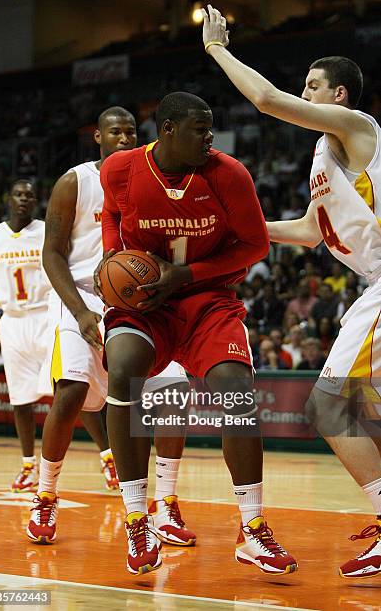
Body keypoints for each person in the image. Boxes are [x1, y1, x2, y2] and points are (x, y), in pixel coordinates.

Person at [202, 5, 381, 577]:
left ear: (340, 97)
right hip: (371, 286)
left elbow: (268, 101)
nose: (302, 93)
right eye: (302, 85)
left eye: (312, 86)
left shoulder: (361, 131)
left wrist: (218, 50)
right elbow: (309, 232)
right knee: (358, 410)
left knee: (328, 407)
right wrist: (232, 230)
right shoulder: (324, 159)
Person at [96, 91, 297, 576]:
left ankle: (251, 528)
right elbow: (112, 217)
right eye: (199, 130)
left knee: (237, 394)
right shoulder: (120, 169)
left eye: (211, 129)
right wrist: (110, 262)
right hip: (147, 304)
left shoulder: (229, 174)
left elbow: (255, 244)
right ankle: (138, 519)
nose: (210, 138)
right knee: (123, 372)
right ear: (167, 130)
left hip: (208, 300)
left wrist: (185, 276)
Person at [27, 107, 195, 549]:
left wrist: (171, 281)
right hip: (79, 296)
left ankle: (166, 505)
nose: (124, 137)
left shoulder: (157, 179)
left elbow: (175, 242)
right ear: (97, 138)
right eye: (114, 131)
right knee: (72, 391)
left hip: (140, 296)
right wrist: (81, 312)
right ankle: (45, 495)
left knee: (173, 392)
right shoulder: (75, 181)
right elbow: (52, 254)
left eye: (131, 131)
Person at [0, 180, 114, 493]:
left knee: (73, 386)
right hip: (13, 321)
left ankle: (108, 457)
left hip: (46, 315)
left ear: (37, 201)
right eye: (18, 193)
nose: (23, 199)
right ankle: (28, 465)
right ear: (8, 199)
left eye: (29, 194)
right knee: (20, 398)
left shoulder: (47, 229)